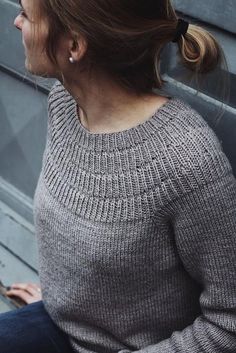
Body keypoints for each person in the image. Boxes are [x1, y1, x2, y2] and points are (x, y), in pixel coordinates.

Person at [1, 0, 236, 352]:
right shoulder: (64, 103)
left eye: (27, 15)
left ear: (75, 46)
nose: (17, 22)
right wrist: (56, 305)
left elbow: (228, 323)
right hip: (62, 326)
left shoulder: (187, 161)